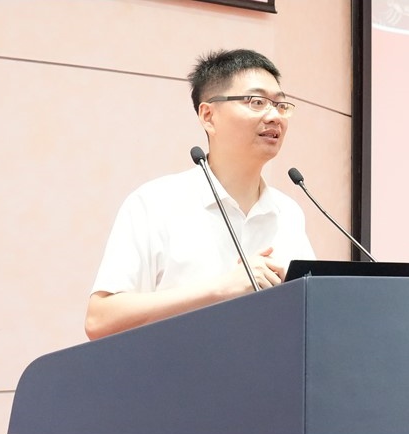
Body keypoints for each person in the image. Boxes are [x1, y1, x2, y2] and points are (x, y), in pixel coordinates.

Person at [84, 49, 315, 340]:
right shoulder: (156, 202)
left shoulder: (288, 211)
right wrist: (222, 288)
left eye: (281, 105)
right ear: (208, 116)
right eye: (257, 102)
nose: (274, 116)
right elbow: (100, 319)